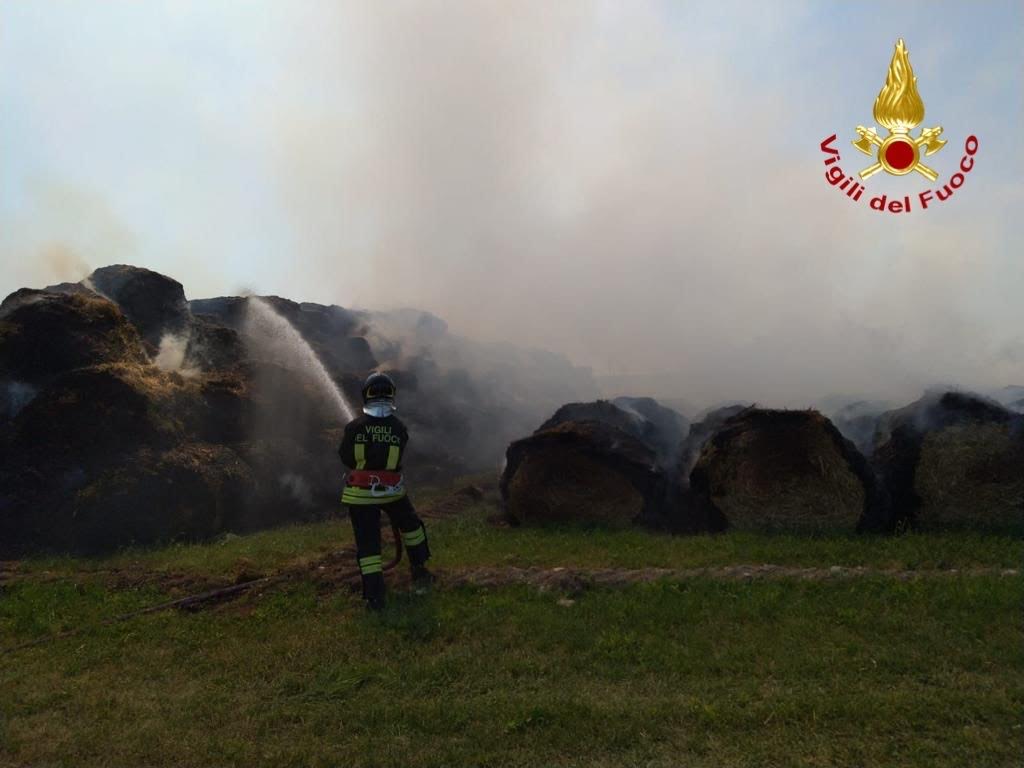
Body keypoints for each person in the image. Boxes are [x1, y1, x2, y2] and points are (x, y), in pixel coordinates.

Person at [338, 371, 434, 610]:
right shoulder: (398, 427)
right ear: (392, 395)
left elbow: (345, 456)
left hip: (359, 495)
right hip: (392, 492)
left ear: (366, 396)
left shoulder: (354, 427)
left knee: (368, 546)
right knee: (412, 528)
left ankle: (375, 598)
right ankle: (420, 571)